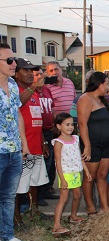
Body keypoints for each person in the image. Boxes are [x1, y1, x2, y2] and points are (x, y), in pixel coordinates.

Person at [0, 43, 31, 241]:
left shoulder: (12, 85)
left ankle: (6, 236)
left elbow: (18, 114)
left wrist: (24, 144)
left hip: (14, 149)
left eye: (14, 59)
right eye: (9, 60)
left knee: (8, 196)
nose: (14, 64)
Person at [13, 58, 50, 224]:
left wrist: (43, 141)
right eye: (25, 70)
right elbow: (18, 102)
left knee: (35, 181)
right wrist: (33, 86)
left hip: (36, 145)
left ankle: (34, 211)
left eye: (31, 70)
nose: (29, 73)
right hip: (22, 148)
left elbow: (37, 119)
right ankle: (16, 218)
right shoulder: (15, 91)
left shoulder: (34, 93)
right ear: (16, 72)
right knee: (16, 184)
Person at [77, 71, 109, 215]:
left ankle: (104, 206)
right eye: (107, 83)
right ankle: (90, 206)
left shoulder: (101, 100)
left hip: (106, 145)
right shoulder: (85, 98)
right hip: (92, 144)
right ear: (99, 84)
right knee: (89, 176)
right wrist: (87, 145)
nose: (108, 87)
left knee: (103, 175)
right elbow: (82, 123)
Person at [52, 113, 91, 237]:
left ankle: (73, 216)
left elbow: (80, 157)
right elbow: (57, 163)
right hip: (66, 174)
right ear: (59, 126)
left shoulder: (76, 139)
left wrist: (86, 171)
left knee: (77, 195)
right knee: (63, 198)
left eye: (71, 124)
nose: (70, 127)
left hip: (76, 172)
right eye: (67, 124)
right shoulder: (58, 143)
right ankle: (56, 225)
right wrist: (62, 179)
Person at [34, 68, 59, 202]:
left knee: (50, 162)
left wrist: (56, 124)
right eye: (37, 75)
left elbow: (52, 108)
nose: (40, 77)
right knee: (42, 162)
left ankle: (47, 189)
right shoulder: (31, 93)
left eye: (41, 74)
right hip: (39, 131)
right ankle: (38, 193)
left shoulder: (46, 90)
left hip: (50, 130)